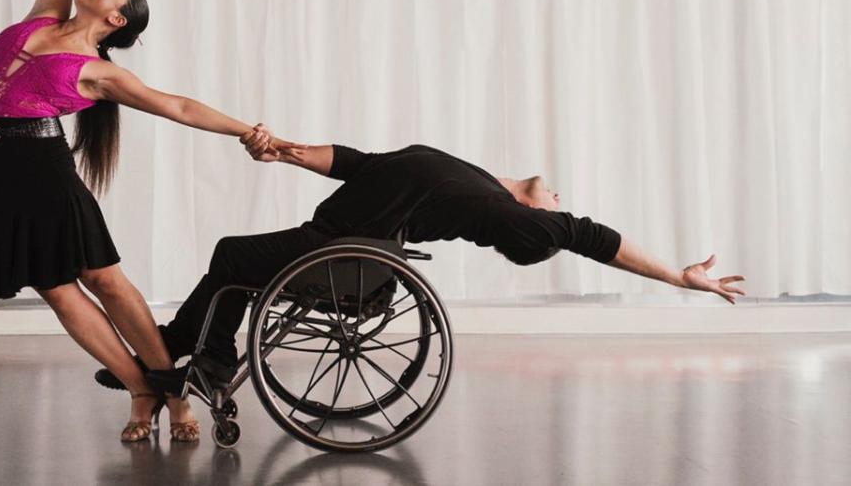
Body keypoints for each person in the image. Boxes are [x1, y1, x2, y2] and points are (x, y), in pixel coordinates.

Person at [0, 0, 288, 443]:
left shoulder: (99, 73)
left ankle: (177, 396)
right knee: (55, 289)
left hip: (39, 168)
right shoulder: (44, 15)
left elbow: (179, 107)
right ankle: (142, 389)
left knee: (103, 278)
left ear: (116, 19)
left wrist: (248, 130)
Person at [95, 133, 746, 391]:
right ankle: (188, 352)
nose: (559, 196)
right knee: (237, 261)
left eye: (556, 203)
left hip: (337, 255)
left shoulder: (512, 217)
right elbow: (360, 163)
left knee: (232, 255)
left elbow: (595, 237)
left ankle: (196, 358)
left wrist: (678, 276)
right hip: (330, 241)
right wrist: (286, 151)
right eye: (555, 199)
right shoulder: (477, 180)